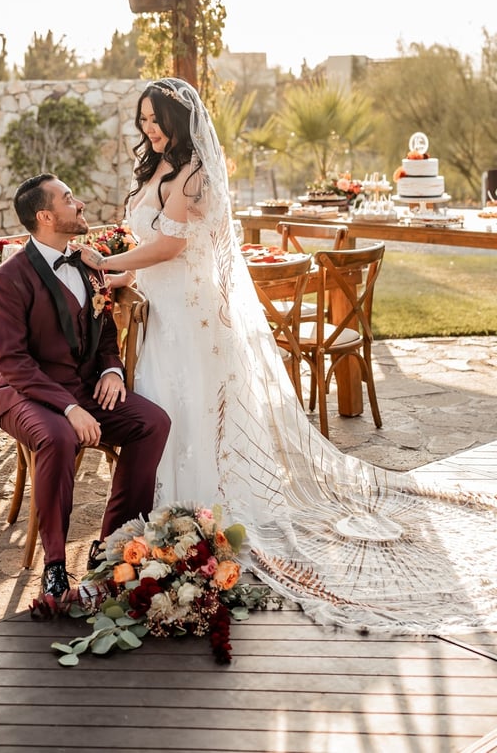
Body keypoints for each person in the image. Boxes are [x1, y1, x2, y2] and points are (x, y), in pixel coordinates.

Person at [78, 77, 497, 636]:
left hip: (195, 317)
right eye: (144, 121)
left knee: (193, 405)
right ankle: (166, 511)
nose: (149, 130)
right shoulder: (157, 169)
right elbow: (152, 255)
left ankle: (202, 513)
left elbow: (173, 246)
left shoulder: (196, 175)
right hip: (165, 314)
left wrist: (105, 265)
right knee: (164, 404)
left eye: (156, 120)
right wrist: (120, 273)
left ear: (179, 122)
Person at [0, 173, 170, 602]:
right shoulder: (6, 281)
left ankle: (111, 546)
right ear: (46, 216)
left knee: (153, 422)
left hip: (85, 387)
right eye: (70, 199)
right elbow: (12, 363)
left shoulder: (89, 265)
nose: (80, 203)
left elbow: (105, 337)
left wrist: (111, 372)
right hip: (25, 394)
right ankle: (53, 565)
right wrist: (69, 408)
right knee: (57, 436)